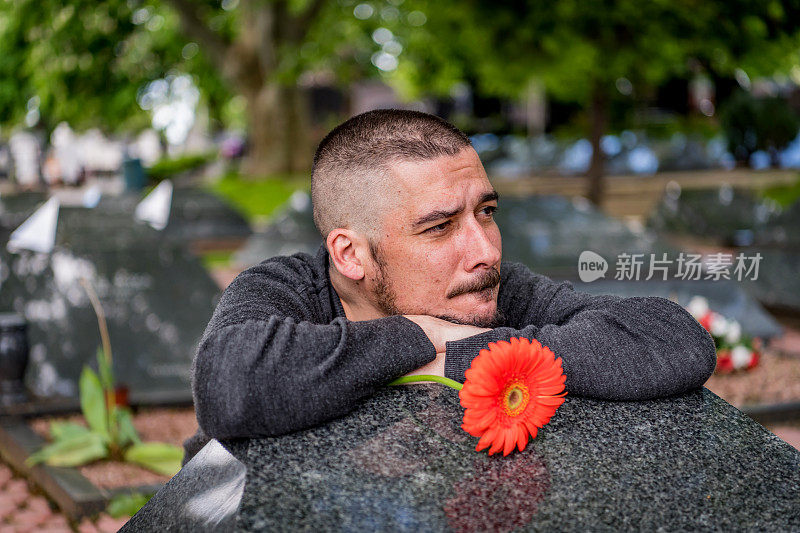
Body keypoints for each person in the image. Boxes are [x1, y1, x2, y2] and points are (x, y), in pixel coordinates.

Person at [184, 109, 716, 460]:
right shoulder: (283, 288)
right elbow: (229, 383)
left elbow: (673, 339)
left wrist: (468, 353)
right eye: (438, 227)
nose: (485, 252)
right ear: (350, 254)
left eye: (486, 212)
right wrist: (424, 334)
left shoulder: (489, 290)